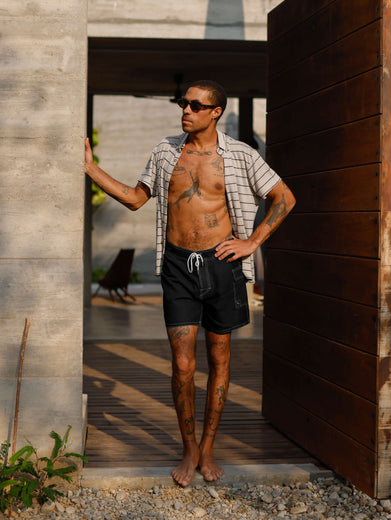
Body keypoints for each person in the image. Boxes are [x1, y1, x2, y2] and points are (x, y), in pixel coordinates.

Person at [84, 79, 295, 487]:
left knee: (220, 360)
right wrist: (90, 168)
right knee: (182, 365)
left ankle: (209, 446)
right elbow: (134, 198)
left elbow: (284, 197)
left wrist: (251, 242)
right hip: (178, 266)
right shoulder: (166, 151)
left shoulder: (241, 155)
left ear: (216, 112)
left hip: (222, 266)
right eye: (184, 103)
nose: (186, 110)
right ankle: (189, 448)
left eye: (196, 105)